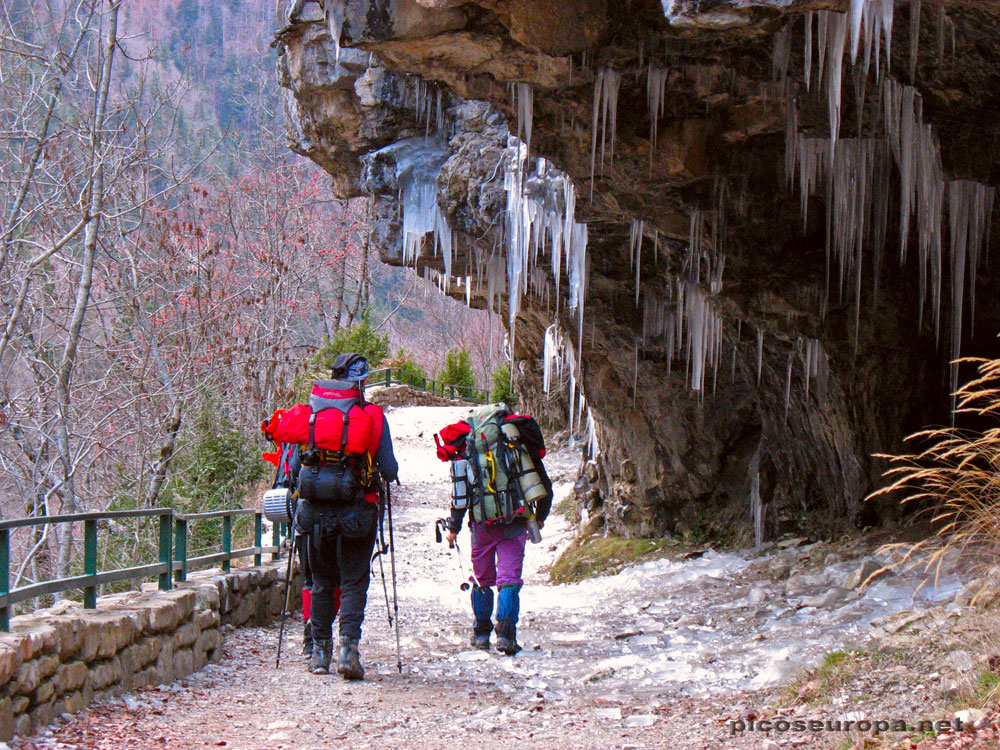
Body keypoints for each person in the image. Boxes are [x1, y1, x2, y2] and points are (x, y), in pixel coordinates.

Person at [278, 352, 398, 679]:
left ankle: (319, 653)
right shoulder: (371, 415)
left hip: (313, 510)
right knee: (353, 580)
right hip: (357, 510)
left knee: (321, 581)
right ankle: (348, 650)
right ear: (361, 383)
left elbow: (290, 468)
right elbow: (389, 469)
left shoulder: (310, 414)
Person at [443, 412, 551, 656]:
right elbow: (545, 485)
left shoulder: (468, 450)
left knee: (482, 579)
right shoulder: (516, 447)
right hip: (515, 522)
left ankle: (481, 634)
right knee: (509, 580)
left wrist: (453, 528)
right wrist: (540, 517)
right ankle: (506, 635)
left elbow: (460, 496)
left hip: (481, 526)